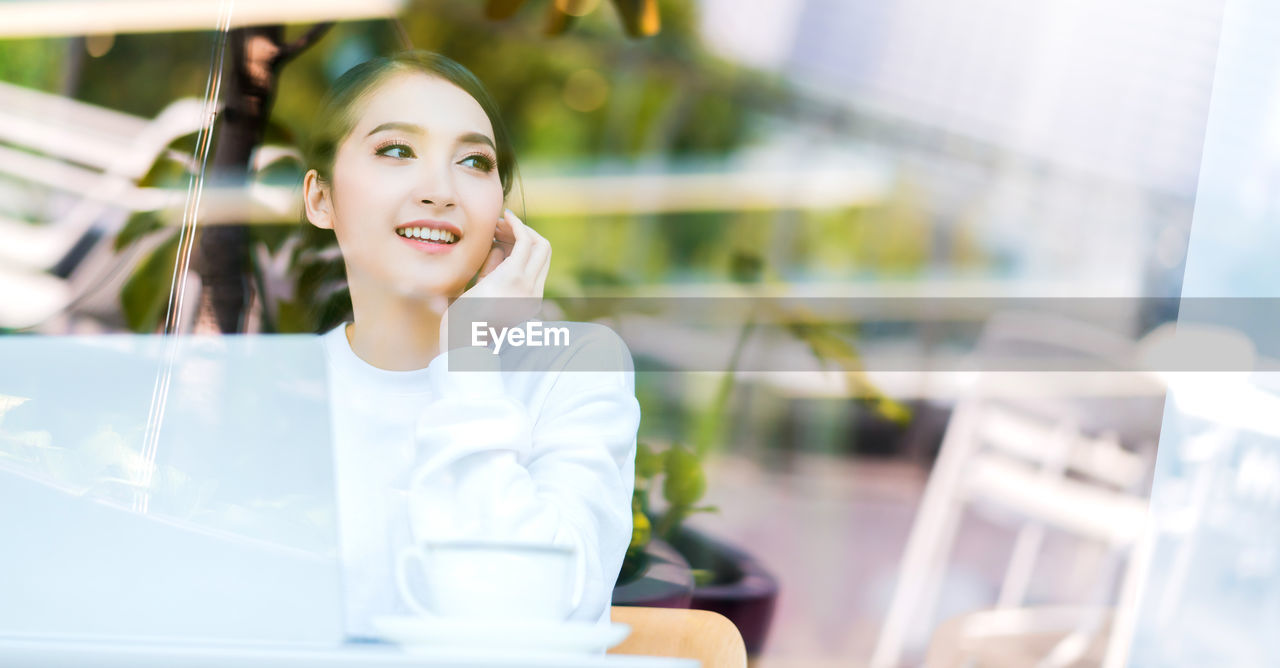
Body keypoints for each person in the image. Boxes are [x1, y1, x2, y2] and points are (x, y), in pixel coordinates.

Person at [300, 51, 639, 637]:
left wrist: (471, 355)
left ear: (501, 213)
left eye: (474, 162)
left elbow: (517, 622)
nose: (440, 190)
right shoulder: (292, 384)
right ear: (320, 198)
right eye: (397, 151)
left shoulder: (575, 371)